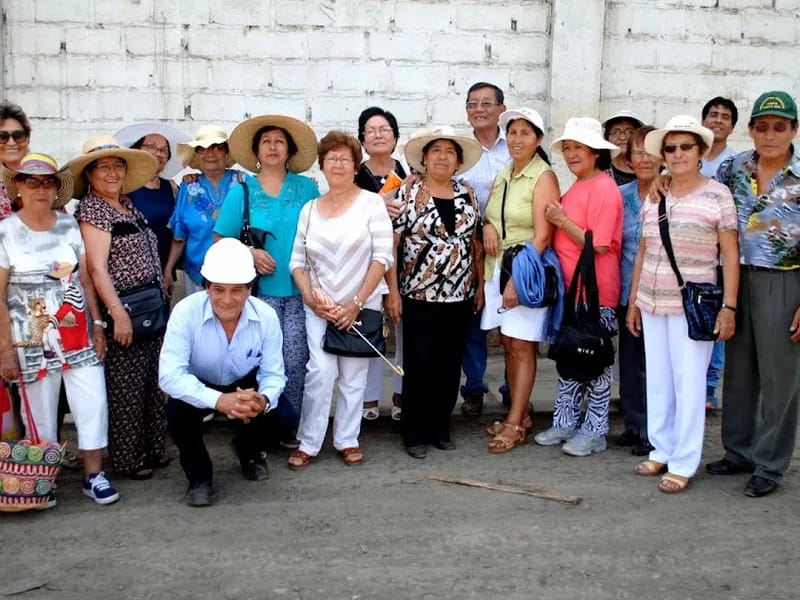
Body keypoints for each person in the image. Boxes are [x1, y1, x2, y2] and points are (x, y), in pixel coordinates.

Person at [627, 116, 739, 494]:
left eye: (685, 147)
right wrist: (634, 301)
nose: (677, 154)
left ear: (700, 151)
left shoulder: (718, 195)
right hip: (651, 299)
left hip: (693, 305)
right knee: (659, 381)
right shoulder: (655, 194)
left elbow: (730, 254)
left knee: (689, 384)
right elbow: (643, 251)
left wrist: (729, 307)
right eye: (670, 148)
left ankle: (684, 461)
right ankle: (661, 448)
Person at [0, 153, 119, 505]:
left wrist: (97, 324)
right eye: (32, 181)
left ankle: (94, 475)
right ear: (18, 186)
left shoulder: (69, 225)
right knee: (39, 410)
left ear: (56, 188)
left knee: (93, 401)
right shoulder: (5, 231)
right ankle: (44, 478)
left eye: (48, 182)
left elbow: (84, 281)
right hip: (30, 334)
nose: (40, 188)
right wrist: (5, 348)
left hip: (75, 328)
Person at [706, 91, 800, 498]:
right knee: (739, 371)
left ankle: (770, 464)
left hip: (784, 280)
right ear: (751, 129)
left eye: (779, 127)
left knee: (779, 378)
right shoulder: (734, 167)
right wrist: (662, 179)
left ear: (794, 130)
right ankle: (739, 451)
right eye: (762, 127)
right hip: (735, 278)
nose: (770, 135)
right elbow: (702, 193)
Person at [288, 131, 393, 469]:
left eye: (344, 159)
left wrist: (356, 303)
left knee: (353, 375)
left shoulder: (372, 203)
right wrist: (311, 298)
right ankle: (308, 441)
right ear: (322, 166)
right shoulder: (309, 209)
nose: (337, 164)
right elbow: (297, 262)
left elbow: (382, 257)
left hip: (361, 305)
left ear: (355, 165)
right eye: (331, 159)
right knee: (319, 372)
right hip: (320, 306)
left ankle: (347, 439)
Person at [214, 114, 319, 443]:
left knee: (296, 360)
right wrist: (250, 253)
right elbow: (220, 240)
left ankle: (289, 426)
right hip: (260, 294)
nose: (273, 147)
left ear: (290, 150)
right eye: (266, 142)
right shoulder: (242, 192)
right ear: (256, 151)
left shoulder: (307, 188)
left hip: (302, 290)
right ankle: (258, 427)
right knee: (261, 363)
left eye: (280, 141)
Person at [159, 238, 287, 506]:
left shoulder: (266, 316)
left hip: (244, 383)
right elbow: (170, 375)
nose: (227, 300)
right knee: (177, 414)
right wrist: (218, 400)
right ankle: (199, 476)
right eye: (218, 290)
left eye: (236, 290)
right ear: (206, 287)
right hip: (199, 383)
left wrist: (262, 400)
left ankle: (248, 451)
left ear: (250, 289)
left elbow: (274, 374)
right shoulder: (185, 313)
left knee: (284, 416)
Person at [70, 135, 165, 480]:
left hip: (149, 305)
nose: (112, 173)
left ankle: (153, 448)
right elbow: (96, 268)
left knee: (151, 382)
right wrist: (116, 312)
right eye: (103, 167)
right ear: (90, 174)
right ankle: (128, 458)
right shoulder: (93, 210)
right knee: (126, 387)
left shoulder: (126, 204)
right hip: (125, 308)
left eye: (117, 165)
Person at [390, 126, 482, 459]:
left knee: (449, 363)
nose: (443, 157)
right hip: (418, 293)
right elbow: (393, 244)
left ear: (457, 161)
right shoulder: (407, 192)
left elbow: (475, 241)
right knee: (419, 363)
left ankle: (440, 427)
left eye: (449, 152)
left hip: (459, 294)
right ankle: (414, 432)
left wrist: (479, 285)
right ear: (425, 159)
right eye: (436, 151)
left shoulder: (467, 193)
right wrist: (392, 292)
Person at [535, 117, 623, 456]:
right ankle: (565, 421)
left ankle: (596, 430)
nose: (571, 153)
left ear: (596, 152)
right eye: (568, 147)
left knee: (595, 361)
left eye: (579, 147)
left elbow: (598, 244)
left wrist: (561, 220)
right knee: (571, 356)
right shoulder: (578, 186)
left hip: (597, 291)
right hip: (573, 292)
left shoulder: (604, 188)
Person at [480, 108, 559, 453]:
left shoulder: (543, 176)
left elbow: (543, 236)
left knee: (523, 346)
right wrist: (487, 227)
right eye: (512, 132)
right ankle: (520, 412)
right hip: (497, 267)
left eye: (525, 133)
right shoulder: (505, 173)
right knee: (509, 343)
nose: (517, 139)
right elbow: (491, 215)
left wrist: (516, 281)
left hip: (525, 271)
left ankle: (514, 423)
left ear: (538, 139)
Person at [458, 82, 511, 417]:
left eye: (487, 103)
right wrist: (482, 225)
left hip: (511, 245)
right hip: (470, 245)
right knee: (473, 321)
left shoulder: (516, 146)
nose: (479, 109)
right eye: (473, 104)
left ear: (501, 109)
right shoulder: (460, 153)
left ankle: (513, 388)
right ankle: (474, 389)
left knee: (511, 323)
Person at [354, 106, 406, 422]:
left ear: (395, 137)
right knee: (371, 331)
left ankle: (402, 395)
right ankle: (368, 398)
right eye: (370, 130)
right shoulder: (353, 177)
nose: (378, 135)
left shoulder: (410, 175)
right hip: (366, 266)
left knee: (405, 334)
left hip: (406, 265)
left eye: (384, 129)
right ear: (362, 139)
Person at [615, 125, 657, 457]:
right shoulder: (620, 195)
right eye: (637, 152)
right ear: (628, 159)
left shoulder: (670, 192)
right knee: (629, 361)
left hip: (660, 294)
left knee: (655, 365)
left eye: (650, 151)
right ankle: (633, 424)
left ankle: (652, 430)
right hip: (625, 291)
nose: (644, 158)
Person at [164, 125, 240, 297]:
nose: (209, 154)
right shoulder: (188, 186)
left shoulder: (243, 182)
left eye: (217, 148)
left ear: (226, 153)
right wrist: (168, 270)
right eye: (202, 149)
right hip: (197, 274)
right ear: (197, 155)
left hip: (237, 273)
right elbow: (180, 233)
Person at [698, 97, 739, 410]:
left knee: (717, 318)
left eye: (725, 117)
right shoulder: (690, 155)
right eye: (713, 115)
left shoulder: (736, 164)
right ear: (703, 121)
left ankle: (709, 386)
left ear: (733, 127)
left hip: (722, 256)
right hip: (693, 254)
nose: (718, 120)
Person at [115, 123, 190, 277]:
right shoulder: (122, 188)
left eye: (164, 150)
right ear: (137, 150)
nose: (158, 153)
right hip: (130, 275)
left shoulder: (172, 188)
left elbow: (180, 228)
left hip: (164, 271)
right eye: (151, 147)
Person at [0, 101, 31, 217]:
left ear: (27, 139)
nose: (11, 142)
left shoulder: (45, 178)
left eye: (18, 136)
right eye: (2, 137)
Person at [602, 110, 646, 186]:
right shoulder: (601, 167)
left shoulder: (648, 165)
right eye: (615, 132)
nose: (622, 137)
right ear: (607, 137)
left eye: (630, 132)